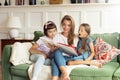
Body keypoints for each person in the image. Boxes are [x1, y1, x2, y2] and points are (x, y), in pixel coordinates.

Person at [50, 15, 79, 80]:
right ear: (61, 24)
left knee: (54, 60)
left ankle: (54, 78)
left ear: (72, 26)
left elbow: (75, 52)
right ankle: (64, 72)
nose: (66, 27)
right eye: (64, 25)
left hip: (68, 58)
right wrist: (52, 49)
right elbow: (52, 51)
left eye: (69, 25)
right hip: (57, 55)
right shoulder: (57, 35)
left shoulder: (75, 37)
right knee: (57, 51)